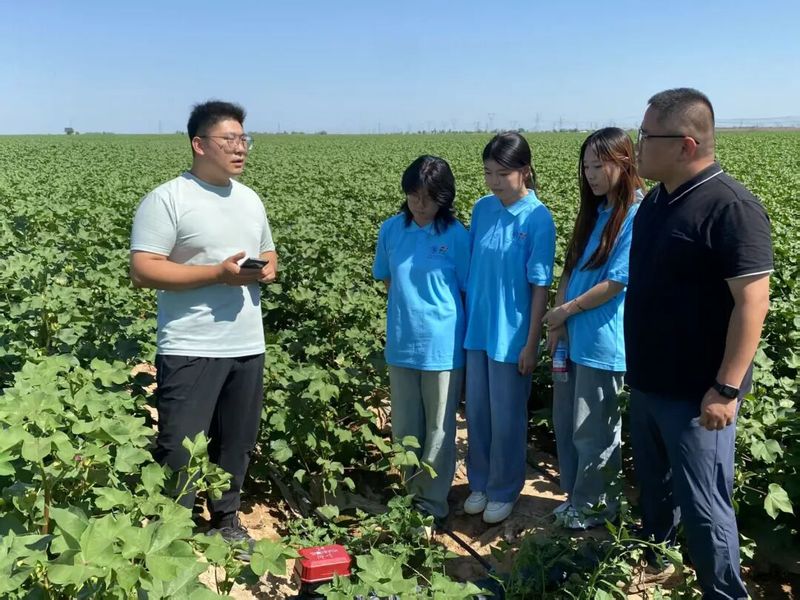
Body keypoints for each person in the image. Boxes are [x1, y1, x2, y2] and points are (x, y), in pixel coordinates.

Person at [626, 88, 772, 598]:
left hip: (697, 395)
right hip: (649, 383)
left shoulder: (730, 207)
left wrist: (726, 389)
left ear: (685, 145)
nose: (637, 144)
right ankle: (656, 560)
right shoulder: (656, 201)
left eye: (646, 135)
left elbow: (753, 303)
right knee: (656, 490)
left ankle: (724, 592)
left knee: (706, 507)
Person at [129, 100, 277, 551]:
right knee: (180, 444)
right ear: (199, 144)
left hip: (246, 342)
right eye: (229, 139)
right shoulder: (168, 199)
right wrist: (216, 273)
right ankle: (173, 527)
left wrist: (267, 266)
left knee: (236, 441)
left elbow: (268, 250)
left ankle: (226, 519)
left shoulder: (249, 199)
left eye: (244, 139)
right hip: (190, 343)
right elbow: (143, 270)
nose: (240, 148)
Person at [543, 127, 644, 530]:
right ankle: (578, 499)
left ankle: (596, 508)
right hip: (572, 336)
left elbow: (617, 282)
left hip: (602, 341)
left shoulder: (635, 214)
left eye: (599, 165)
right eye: (586, 167)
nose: (591, 174)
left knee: (595, 430)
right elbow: (570, 268)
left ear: (623, 162)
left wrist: (566, 310)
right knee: (569, 424)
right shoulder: (596, 211)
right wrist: (558, 320)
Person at [462, 132, 556, 524]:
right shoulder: (482, 209)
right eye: (488, 173)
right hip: (478, 330)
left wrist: (531, 343)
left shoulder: (538, 218)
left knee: (507, 418)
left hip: (512, 335)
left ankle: (504, 489)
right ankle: (480, 483)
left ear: (525, 171)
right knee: (477, 414)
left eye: (503, 173)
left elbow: (540, 286)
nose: (495, 181)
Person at [372, 155, 470, 524]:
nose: (420, 205)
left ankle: (431, 505)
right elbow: (387, 277)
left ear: (444, 197)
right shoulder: (391, 230)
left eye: (429, 198)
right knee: (405, 426)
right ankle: (409, 496)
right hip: (402, 342)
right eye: (413, 196)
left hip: (442, 345)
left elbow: (466, 289)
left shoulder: (456, 236)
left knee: (439, 429)